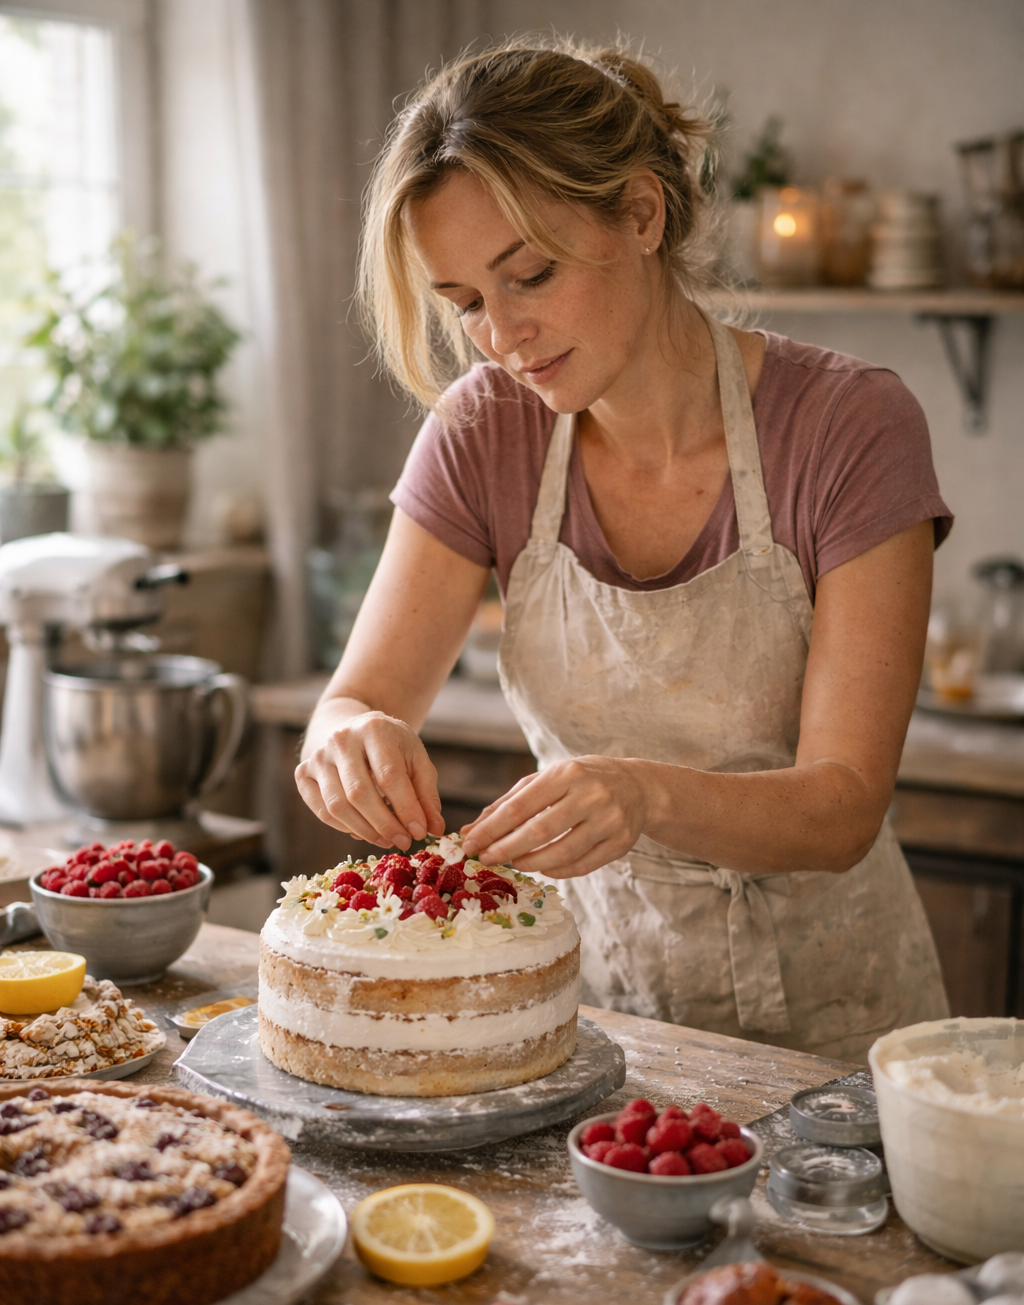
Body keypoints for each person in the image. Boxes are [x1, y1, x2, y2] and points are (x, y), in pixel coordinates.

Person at [296, 38, 951, 1064]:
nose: (501, 334)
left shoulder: (849, 424)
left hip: (836, 1032)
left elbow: (840, 809)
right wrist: (343, 741)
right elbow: (355, 700)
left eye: (531, 275)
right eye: (464, 302)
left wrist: (641, 794)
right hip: (590, 1020)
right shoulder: (483, 432)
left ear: (641, 214)